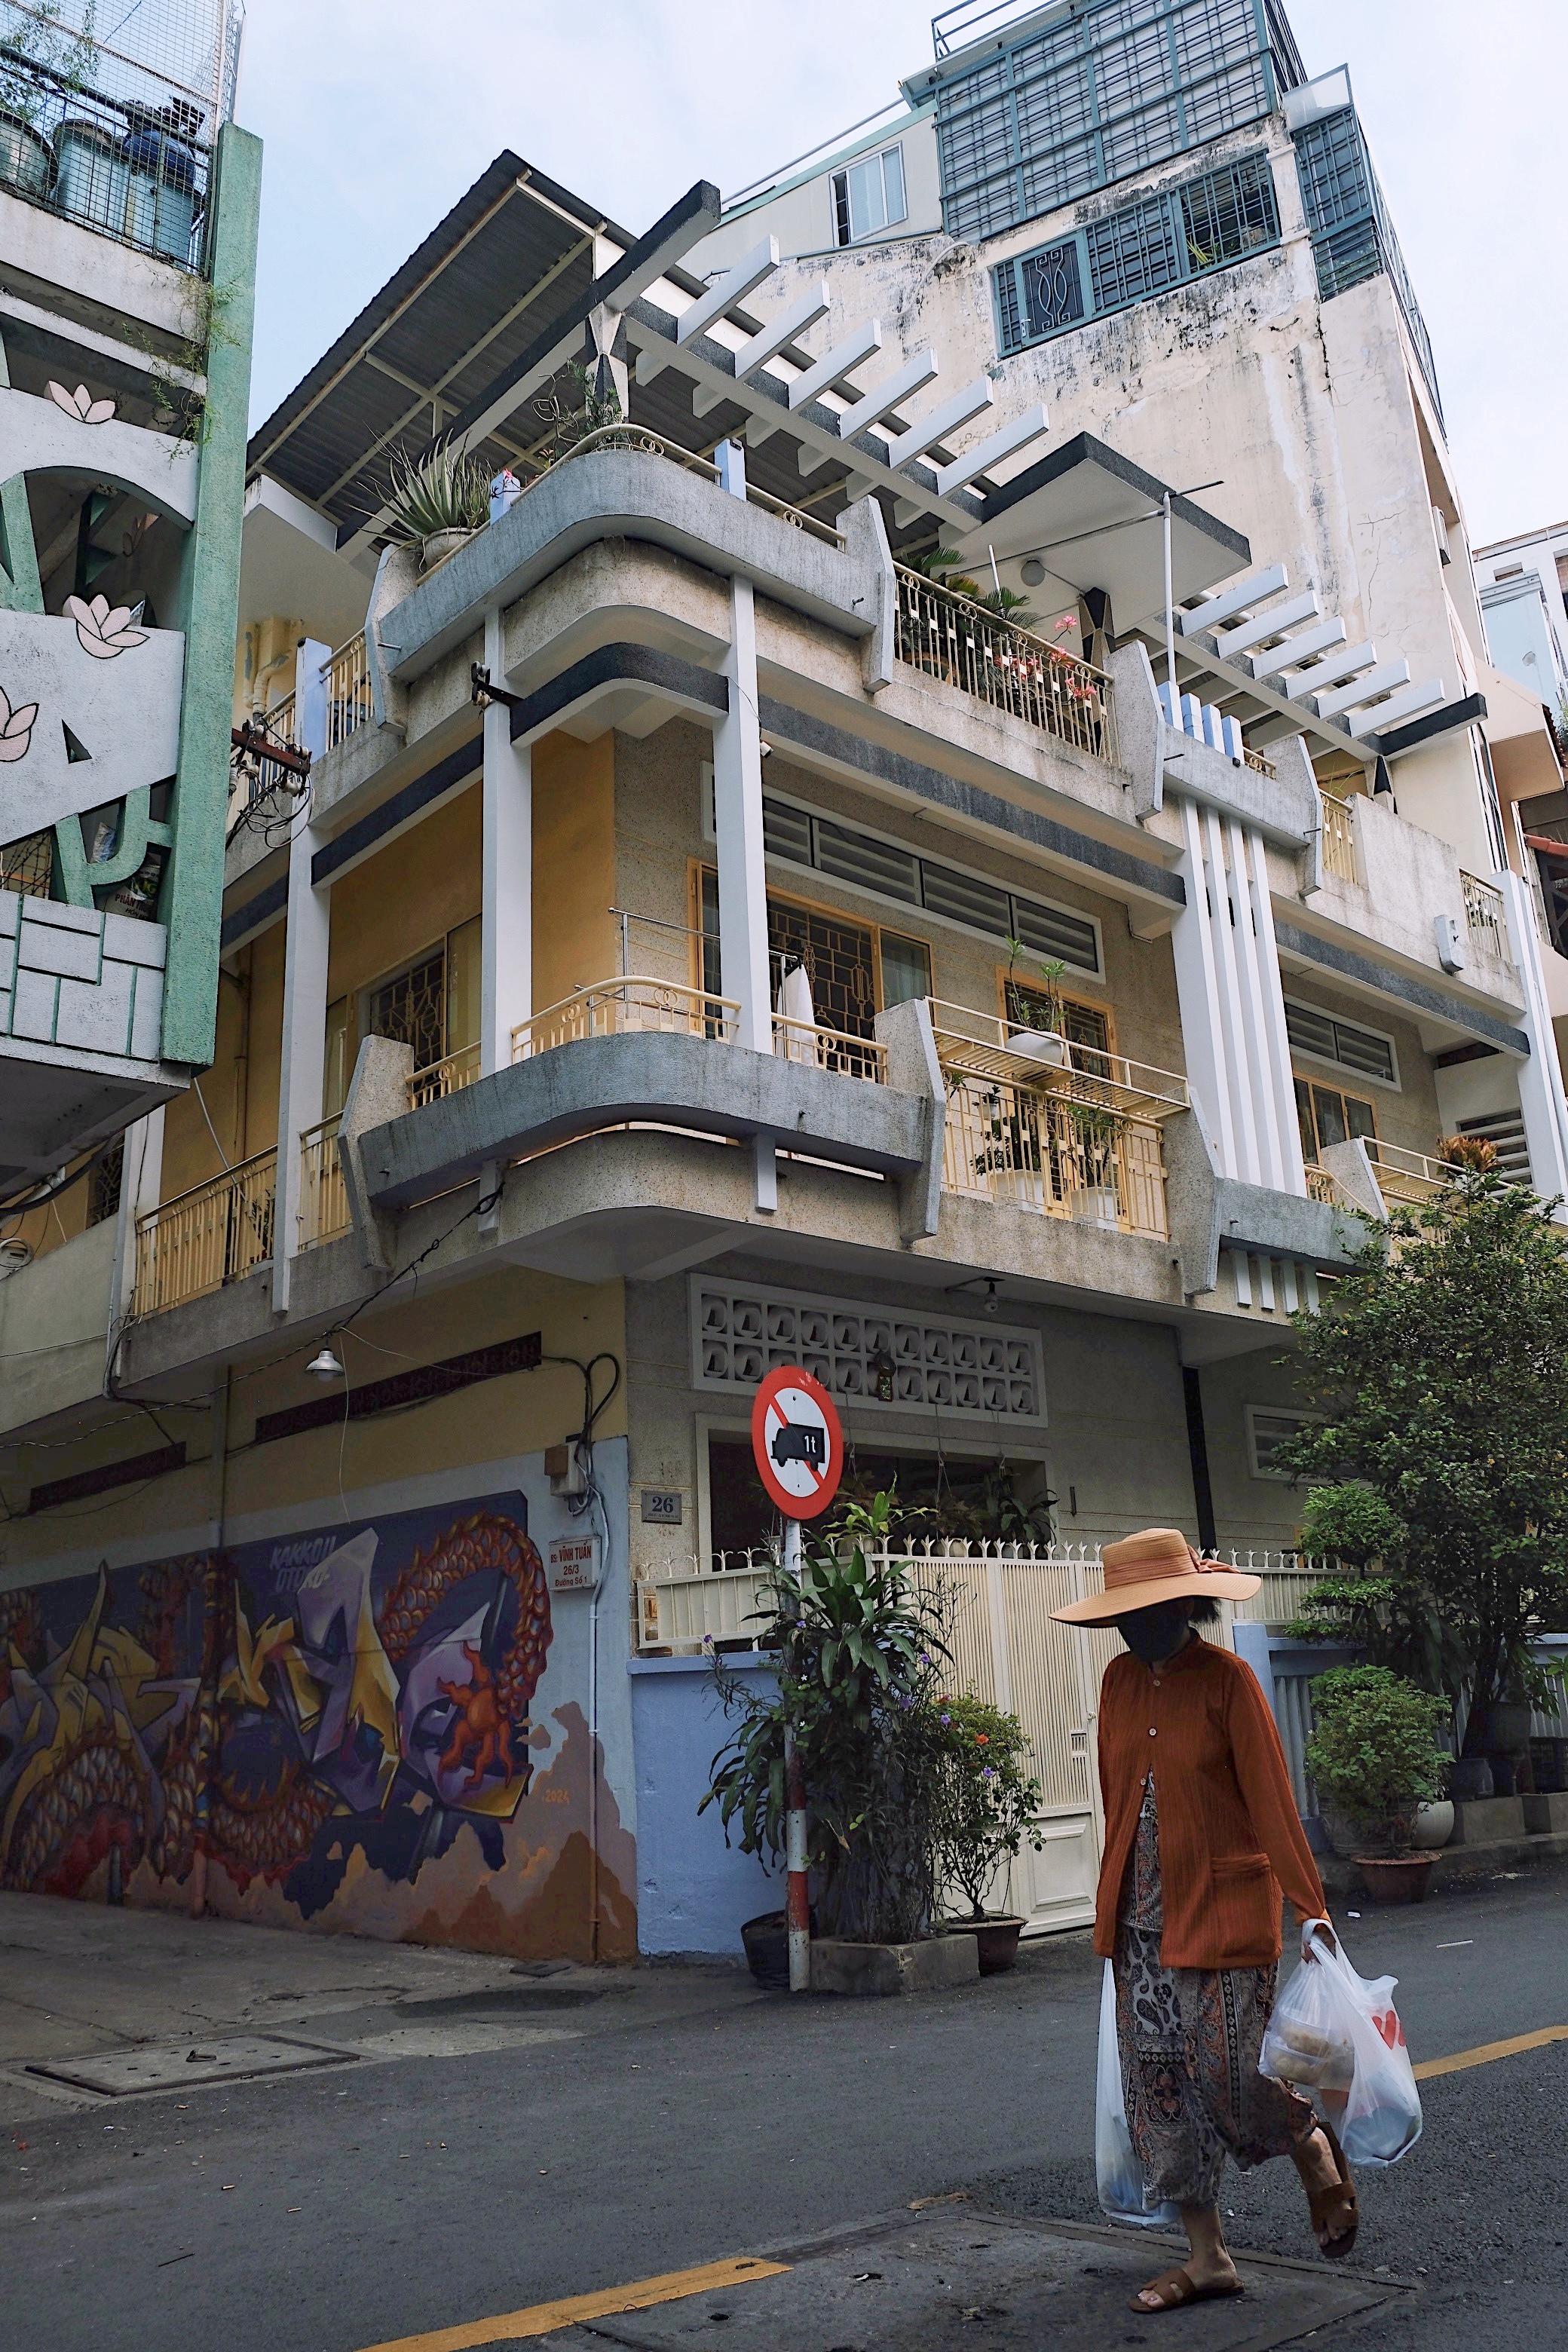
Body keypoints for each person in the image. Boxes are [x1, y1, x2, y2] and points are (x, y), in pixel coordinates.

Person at [1051, 1527, 1358, 2317]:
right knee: (1160, 2090)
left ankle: (1310, 2148)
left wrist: (1310, 1911)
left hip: (1222, 1911)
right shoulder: (1118, 1682)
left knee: (1231, 2077)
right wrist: (1110, 1910)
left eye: (1152, 1610)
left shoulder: (1226, 1682)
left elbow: (1270, 1801)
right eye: (1125, 1614)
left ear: (1186, 1605)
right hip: (1140, 1924)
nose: (1137, 1626)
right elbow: (1121, 1803)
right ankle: (1207, 2256)